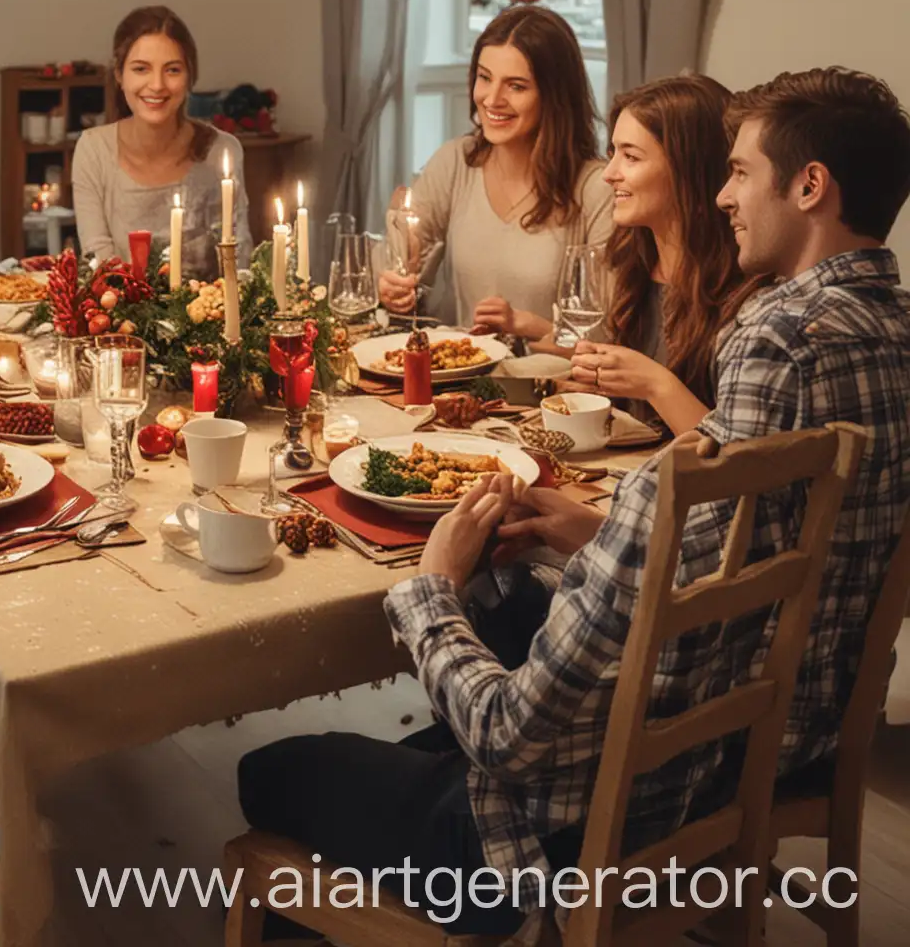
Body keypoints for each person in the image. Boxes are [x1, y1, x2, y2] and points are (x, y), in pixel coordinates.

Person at [239, 67, 910, 937]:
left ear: (810, 186)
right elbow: (747, 553)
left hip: (602, 811)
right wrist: (594, 533)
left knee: (275, 773)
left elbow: (510, 734)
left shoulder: (772, 351)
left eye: (740, 172)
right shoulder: (886, 333)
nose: (722, 194)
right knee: (491, 647)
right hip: (774, 739)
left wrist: (433, 587)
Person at [379, 5, 612, 340]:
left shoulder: (596, 189)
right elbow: (395, 261)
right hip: (465, 384)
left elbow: (607, 337)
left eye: (516, 86)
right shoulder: (456, 162)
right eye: (484, 78)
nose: (492, 99)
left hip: (557, 390)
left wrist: (529, 326)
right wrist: (393, 285)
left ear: (554, 96)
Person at [566, 75, 748, 434]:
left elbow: (736, 458)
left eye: (630, 157)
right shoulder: (633, 263)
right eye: (612, 153)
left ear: (688, 171)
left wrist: (655, 384)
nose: (609, 174)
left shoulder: (747, 294)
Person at [71, 5, 251, 278]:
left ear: (190, 76)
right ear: (119, 75)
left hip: (210, 314)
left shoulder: (221, 151)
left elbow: (239, 262)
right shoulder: (93, 150)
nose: (157, 85)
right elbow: (99, 264)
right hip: (119, 314)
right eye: (141, 69)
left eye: (173, 70)